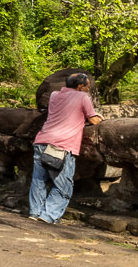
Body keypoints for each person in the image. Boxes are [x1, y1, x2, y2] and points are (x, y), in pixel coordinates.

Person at [29, 72, 102, 223]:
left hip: (42, 140)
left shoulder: (55, 95)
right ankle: (49, 215)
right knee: (63, 185)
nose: (88, 90)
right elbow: (93, 120)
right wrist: (100, 117)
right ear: (80, 86)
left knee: (39, 180)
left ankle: (35, 212)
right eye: (87, 87)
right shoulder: (83, 97)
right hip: (62, 145)